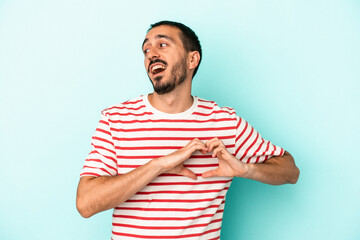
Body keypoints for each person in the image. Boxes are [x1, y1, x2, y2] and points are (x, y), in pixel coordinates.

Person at [76, 20, 300, 240]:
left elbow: (290, 172)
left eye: (162, 44)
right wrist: (158, 165)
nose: (151, 53)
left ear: (192, 59)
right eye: (146, 49)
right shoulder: (116, 120)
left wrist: (246, 170)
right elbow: (85, 204)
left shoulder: (225, 123)